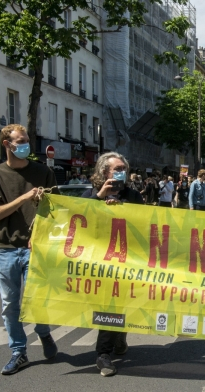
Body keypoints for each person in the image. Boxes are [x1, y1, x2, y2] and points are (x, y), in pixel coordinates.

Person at [0, 124, 59, 375]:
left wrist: (40, 228)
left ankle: (43, 331)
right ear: (7, 144)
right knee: (10, 304)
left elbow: (56, 210)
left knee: (38, 300)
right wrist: (25, 198)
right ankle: (18, 351)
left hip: (36, 247)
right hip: (6, 247)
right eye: (20, 141)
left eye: (26, 140)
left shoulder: (43, 172)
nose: (25, 144)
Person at [82, 152, 144, 377]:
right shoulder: (92, 194)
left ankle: (119, 336)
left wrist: (122, 208)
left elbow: (145, 223)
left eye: (123, 168)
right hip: (102, 262)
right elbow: (79, 218)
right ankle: (103, 354)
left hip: (129, 261)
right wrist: (100, 198)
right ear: (103, 172)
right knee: (109, 305)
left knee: (122, 305)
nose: (121, 172)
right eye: (116, 168)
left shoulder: (133, 195)